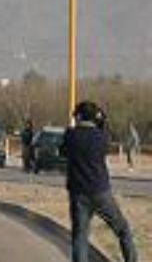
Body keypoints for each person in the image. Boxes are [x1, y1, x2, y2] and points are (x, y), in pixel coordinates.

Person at [61, 101, 137, 262]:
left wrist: (73, 127)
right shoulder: (102, 137)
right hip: (101, 192)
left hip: (78, 194)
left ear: (79, 116)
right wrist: (102, 120)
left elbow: (63, 152)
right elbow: (106, 142)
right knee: (123, 230)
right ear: (96, 117)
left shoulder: (70, 135)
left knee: (80, 237)